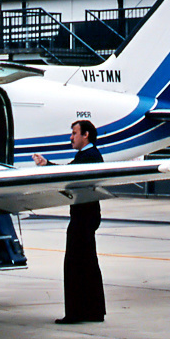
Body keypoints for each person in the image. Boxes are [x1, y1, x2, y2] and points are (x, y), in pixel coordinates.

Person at [32, 120, 106, 324]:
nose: (71, 137)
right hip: (87, 216)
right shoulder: (88, 156)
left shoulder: (88, 157)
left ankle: (76, 313)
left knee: (75, 264)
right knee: (88, 263)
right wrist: (47, 165)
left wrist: (46, 166)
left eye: (74, 133)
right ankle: (94, 311)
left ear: (86, 135)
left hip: (83, 218)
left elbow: (68, 174)